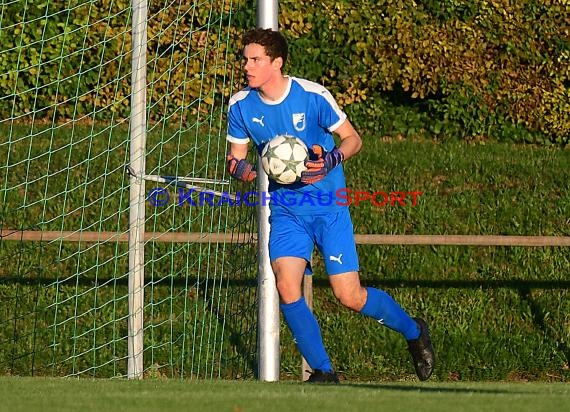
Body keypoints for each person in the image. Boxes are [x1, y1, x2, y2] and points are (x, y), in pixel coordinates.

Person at [225, 28, 435, 383]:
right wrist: (241, 170)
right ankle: (324, 372)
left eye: (255, 59)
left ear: (276, 62)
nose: (247, 66)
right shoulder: (240, 105)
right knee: (286, 284)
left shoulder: (312, 96)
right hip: (287, 210)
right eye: (245, 59)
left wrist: (331, 159)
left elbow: (353, 139)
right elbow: (235, 160)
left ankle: (414, 331)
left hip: (328, 207)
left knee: (349, 296)